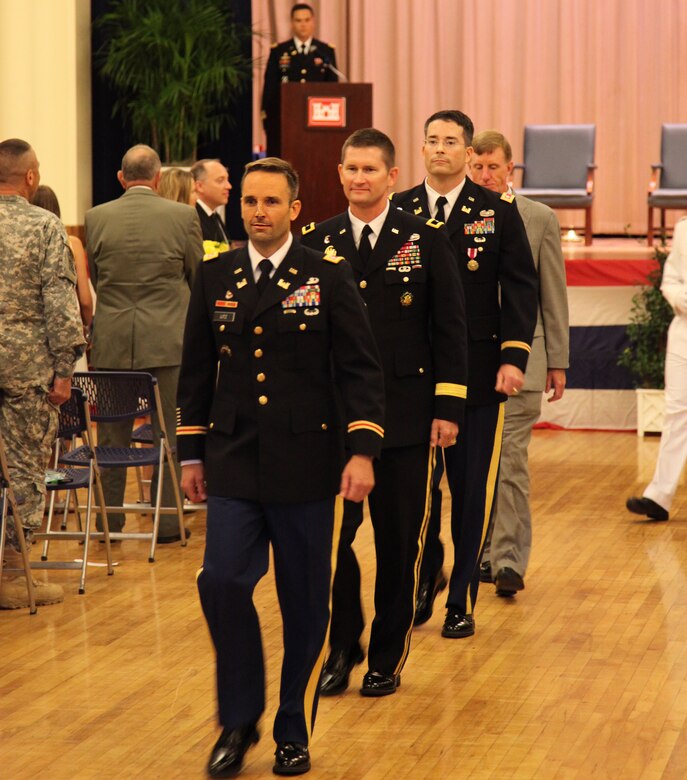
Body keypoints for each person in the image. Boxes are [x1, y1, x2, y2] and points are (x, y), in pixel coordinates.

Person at [176, 157, 385, 777]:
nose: (257, 213)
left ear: (294, 210)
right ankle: (239, 720)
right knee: (220, 582)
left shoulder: (325, 274)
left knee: (304, 601)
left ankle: (293, 726)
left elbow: (359, 369)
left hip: (306, 462)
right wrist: (191, 450)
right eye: (248, 202)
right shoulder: (216, 274)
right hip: (234, 459)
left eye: (270, 203)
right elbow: (195, 369)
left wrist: (363, 450)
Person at [301, 128, 468, 697]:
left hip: (406, 416)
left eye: (370, 169)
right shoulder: (316, 242)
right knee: (332, 545)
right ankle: (343, 642)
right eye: (350, 169)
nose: (358, 179)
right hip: (336, 422)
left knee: (399, 544)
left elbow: (449, 328)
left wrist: (448, 406)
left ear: (392, 176)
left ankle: (388, 654)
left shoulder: (424, 237)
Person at [392, 110, 538, 637]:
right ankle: (427, 575)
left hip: (478, 374)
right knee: (416, 490)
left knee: (470, 489)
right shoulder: (401, 208)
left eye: (450, 141)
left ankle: (461, 599)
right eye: (431, 140)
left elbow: (521, 287)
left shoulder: (495, 210)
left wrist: (512, 356)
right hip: (414, 376)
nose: (439, 149)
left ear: (468, 150)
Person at [85, 144, 203, 540]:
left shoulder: (96, 217)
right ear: (157, 179)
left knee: (112, 434)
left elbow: (99, 278)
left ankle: (109, 520)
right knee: (168, 430)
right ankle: (167, 523)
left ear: (121, 178)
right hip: (168, 339)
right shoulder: (183, 216)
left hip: (113, 339)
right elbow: (196, 276)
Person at [469, 130, 569, 597]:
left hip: (525, 359)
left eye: (494, 167)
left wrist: (558, 360)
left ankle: (507, 559)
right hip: (468, 363)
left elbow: (552, 293)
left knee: (509, 461)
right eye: (478, 167)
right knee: (473, 466)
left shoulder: (538, 218)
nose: (486, 175)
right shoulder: (454, 217)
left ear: (511, 168)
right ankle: (482, 552)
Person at [0, 138, 85, 609]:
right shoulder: (45, 225)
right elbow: (60, 302)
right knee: (25, 470)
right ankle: (12, 574)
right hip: (26, 370)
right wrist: (64, 371)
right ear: (31, 177)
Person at [627, 217, 687, 523]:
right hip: (684, 332)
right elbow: (671, 280)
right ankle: (659, 496)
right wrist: (680, 298)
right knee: (676, 413)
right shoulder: (683, 229)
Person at [261, 3, 338, 156]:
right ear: (291, 23)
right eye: (298, 20)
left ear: (313, 22)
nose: (303, 25)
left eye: (307, 20)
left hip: (317, 120)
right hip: (286, 119)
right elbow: (270, 87)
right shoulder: (279, 51)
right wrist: (267, 115)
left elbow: (332, 87)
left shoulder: (325, 50)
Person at [31, 185, 94, 344]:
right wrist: (86, 326)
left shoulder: (22, 244)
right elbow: (85, 300)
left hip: (32, 334)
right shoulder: (72, 243)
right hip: (67, 332)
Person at [190, 158, 231, 246]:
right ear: (199, 186)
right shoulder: (193, 219)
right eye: (220, 180)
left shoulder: (214, 215)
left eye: (227, 180)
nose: (229, 186)